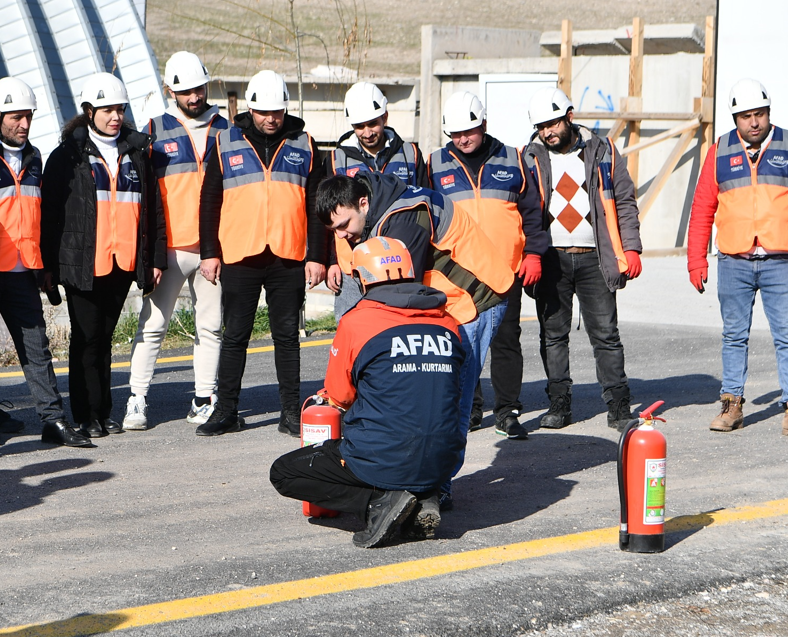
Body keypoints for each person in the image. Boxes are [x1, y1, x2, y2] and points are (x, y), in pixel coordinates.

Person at [314, 171, 513, 509]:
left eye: (344, 225)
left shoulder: (406, 218)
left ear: (363, 203)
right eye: (334, 230)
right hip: (440, 299)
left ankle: (438, 486)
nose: (342, 235)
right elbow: (357, 283)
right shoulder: (354, 217)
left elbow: (404, 295)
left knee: (451, 390)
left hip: (473, 299)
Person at [269, 237, 463, 548]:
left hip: (384, 457)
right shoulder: (449, 323)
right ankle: (423, 495)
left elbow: (339, 396)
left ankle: (380, 501)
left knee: (283, 473)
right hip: (444, 461)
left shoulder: (357, 322)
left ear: (361, 279)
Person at [686, 79, 788, 440]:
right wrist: (696, 260)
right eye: (745, 116)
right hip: (734, 261)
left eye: (759, 114)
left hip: (782, 262)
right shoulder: (719, 151)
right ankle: (732, 405)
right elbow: (702, 208)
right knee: (733, 335)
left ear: (768, 113)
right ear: (735, 117)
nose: (753, 122)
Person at [0, 77, 91, 448]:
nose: (25, 125)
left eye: (29, 116)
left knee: (37, 349)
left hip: (23, 272)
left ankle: (53, 420)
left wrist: (45, 266)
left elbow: (41, 217)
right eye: (16, 117)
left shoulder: (35, 159)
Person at [197, 70, 328, 437]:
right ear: (250, 109)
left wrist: (316, 256)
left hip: (288, 257)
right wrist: (210, 252)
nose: (271, 119)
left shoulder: (305, 144)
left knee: (286, 336)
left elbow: (317, 206)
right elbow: (210, 201)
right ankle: (226, 410)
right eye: (263, 112)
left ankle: (290, 412)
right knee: (235, 334)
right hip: (240, 255)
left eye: (277, 112)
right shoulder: (226, 142)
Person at [41, 72, 162, 440]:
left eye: (120, 110)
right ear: (89, 110)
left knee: (105, 339)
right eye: (108, 110)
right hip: (82, 263)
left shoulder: (138, 154)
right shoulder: (67, 156)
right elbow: (50, 215)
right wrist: (49, 267)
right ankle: (85, 414)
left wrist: (153, 260)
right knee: (86, 338)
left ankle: (103, 410)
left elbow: (153, 211)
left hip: (122, 262)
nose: (116, 117)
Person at [426, 91, 549, 440]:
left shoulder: (513, 158)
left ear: (483, 124)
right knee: (460, 342)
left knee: (506, 341)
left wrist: (534, 253)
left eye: (469, 131)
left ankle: (508, 411)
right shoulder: (434, 164)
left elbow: (532, 213)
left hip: (504, 271)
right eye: (455, 134)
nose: (462, 139)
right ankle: (470, 407)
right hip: (455, 274)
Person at [522, 87, 642, 432]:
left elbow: (624, 200)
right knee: (553, 334)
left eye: (553, 123)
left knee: (605, 334)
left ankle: (619, 407)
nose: (547, 132)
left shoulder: (603, 151)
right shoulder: (528, 157)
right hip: (551, 260)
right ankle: (559, 405)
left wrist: (631, 247)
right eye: (541, 126)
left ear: (569, 117)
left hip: (595, 258)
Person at [124, 52, 229, 430]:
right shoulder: (153, 130)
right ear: (170, 90)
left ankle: (204, 397)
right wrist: (149, 251)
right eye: (185, 91)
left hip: (211, 250)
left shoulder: (226, 130)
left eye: (199, 88)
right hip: (168, 250)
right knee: (152, 325)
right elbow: (145, 199)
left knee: (211, 325)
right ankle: (136, 398)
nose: (194, 97)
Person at [327, 81, 426, 319]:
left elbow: (425, 206)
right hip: (352, 267)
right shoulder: (336, 159)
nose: (367, 132)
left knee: (399, 325)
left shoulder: (410, 154)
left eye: (373, 123)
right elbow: (328, 216)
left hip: (403, 262)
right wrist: (331, 261)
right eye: (359, 126)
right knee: (351, 325)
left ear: (385, 117)